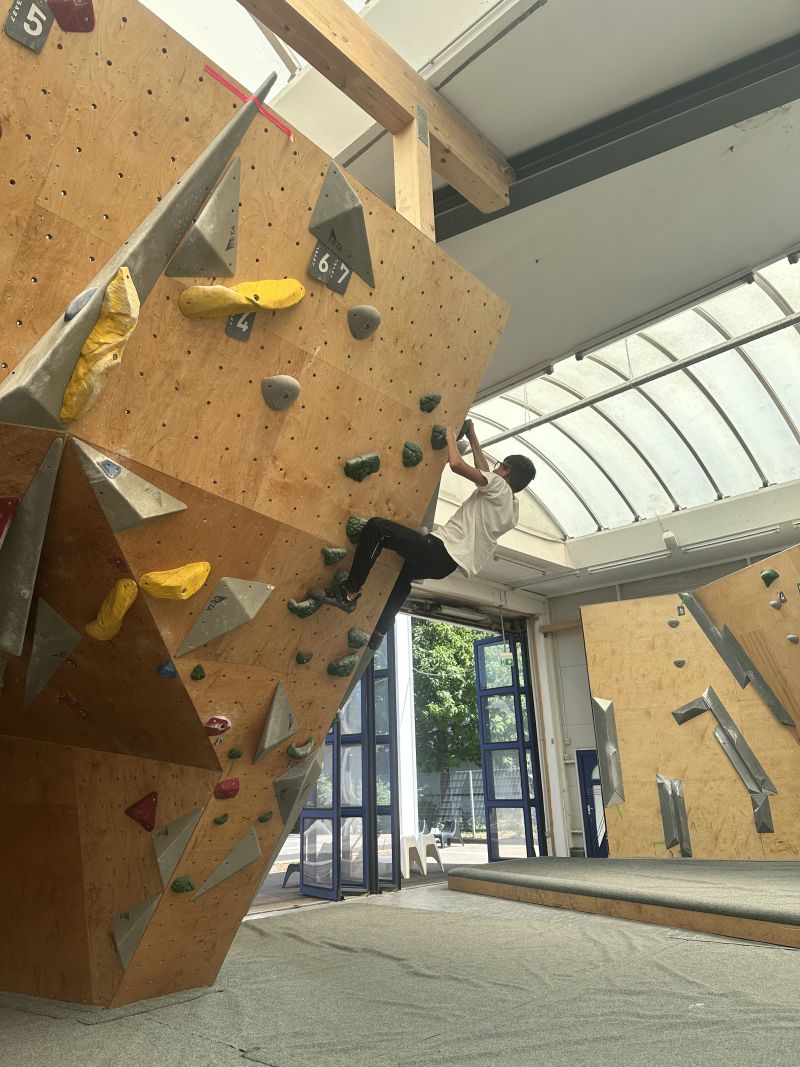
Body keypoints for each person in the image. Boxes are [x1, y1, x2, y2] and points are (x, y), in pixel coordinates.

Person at [309, 421, 536, 649]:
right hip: (445, 566)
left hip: (439, 551)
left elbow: (457, 465)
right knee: (404, 574)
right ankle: (380, 630)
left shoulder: (498, 486)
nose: (495, 469)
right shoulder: (512, 509)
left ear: (506, 470)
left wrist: (450, 437)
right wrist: (473, 436)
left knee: (377, 529)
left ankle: (348, 592)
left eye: (500, 466)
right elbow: (485, 472)